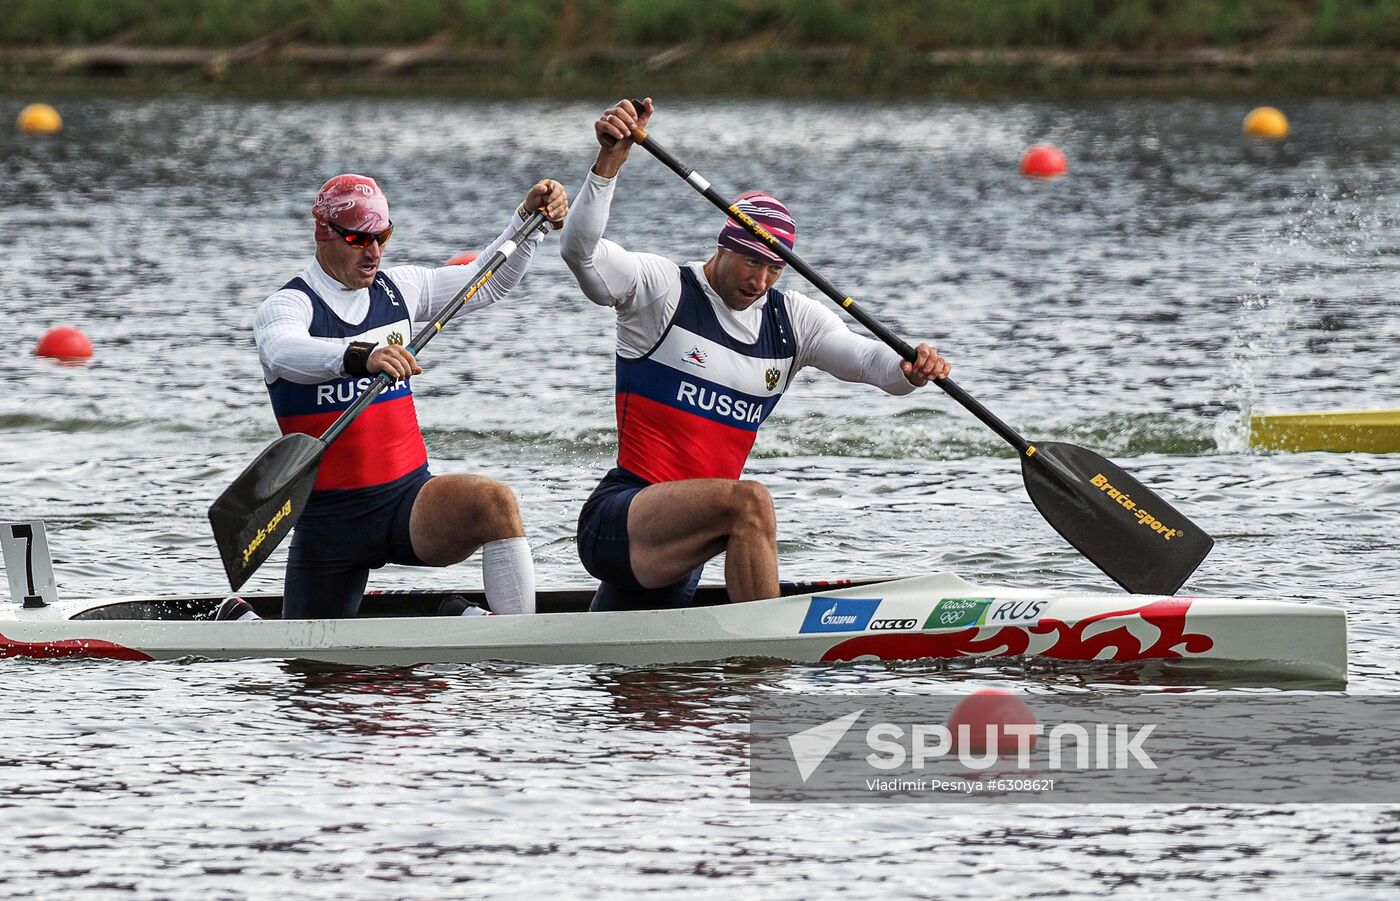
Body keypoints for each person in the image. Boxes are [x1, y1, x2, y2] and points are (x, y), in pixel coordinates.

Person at [560, 98, 952, 612]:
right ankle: (767, 660)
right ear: (723, 245)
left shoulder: (793, 322)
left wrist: (912, 368)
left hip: (688, 542)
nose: (759, 280)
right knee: (751, 501)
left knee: (645, 688)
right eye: (750, 261)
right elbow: (580, 252)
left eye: (773, 268)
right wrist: (609, 162)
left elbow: (871, 364)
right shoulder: (662, 291)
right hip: (622, 517)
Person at [235, 173, 568, 621]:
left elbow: (486, 282)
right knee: (312, 674)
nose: (373, 252)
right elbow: (284, 353)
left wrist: (529, 223)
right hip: (329, 523)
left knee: (495, 503)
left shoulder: (403, 289)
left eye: (382, 236)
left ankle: (519, 636)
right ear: (323, 232)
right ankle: (237, 618)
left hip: (406, 503)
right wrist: (362, 356)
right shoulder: (288, 307)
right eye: (358, 239)